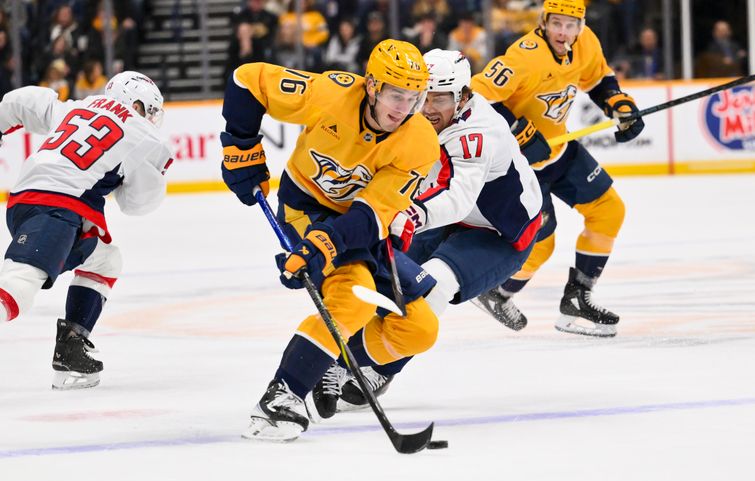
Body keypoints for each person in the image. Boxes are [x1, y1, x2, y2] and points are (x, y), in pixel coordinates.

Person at [219, 39, 440, 441]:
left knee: (420, 327)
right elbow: (247, 80)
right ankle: (282, 396)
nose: (404, 107)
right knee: (352, 298)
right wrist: (240, 145)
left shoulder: (421, 141)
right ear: (372, 86)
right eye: (395, 94)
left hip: (359, 225)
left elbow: (372, 214)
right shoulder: (330, 93)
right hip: (306, 207)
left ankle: (335, 364)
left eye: (414, 97)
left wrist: (321, 247)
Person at [310, 49, 545, 414]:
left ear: (462, 97)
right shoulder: (413, 114)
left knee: (429, 289)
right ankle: (345, 348)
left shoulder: (477, 133)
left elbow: (457, 197)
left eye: (439, 98)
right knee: (379, 276)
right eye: (423, 96)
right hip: (449, 219)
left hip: (499, 234)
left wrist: (411, 214)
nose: (427, 108)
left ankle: (370, 365)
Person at [470, 0, 644, 337]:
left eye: (570, 25)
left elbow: (598, 79)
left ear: (580, 25)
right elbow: (476, 96)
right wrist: (518, 129)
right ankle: (499, 293)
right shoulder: (524, 56)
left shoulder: (586, 42)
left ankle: (578, 298)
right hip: (519, 165)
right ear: (543, 21)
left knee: (609, 210)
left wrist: (617, 103)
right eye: (556, 24)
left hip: (558, 150)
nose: (563, 32)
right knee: (541, 244)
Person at [0, 71, 173, 389]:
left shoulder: (77, 106)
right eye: (148, 110)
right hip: (58, 208)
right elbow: (137, 204)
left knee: (105, 260)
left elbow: (21, 101)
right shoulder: (146, 139)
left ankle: (72, 347)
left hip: (28, 203)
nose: (151, 119)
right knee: (17, 287)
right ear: (135, 104)